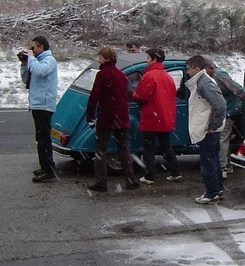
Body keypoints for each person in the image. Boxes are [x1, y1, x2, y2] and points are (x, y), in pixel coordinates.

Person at [85, 47, 139, 192]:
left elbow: (94, 97)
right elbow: (127, 95)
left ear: (106, 59)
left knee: (101, 149)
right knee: (124, 148)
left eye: (100, 57)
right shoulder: (121, 75)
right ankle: (130, 179)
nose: (98, 60)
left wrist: (90, 115)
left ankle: (101, 182)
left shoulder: (102, 75)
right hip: (122, 117)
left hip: (107, 117)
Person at [131, 48, 182, 184]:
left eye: (148, 58)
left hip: (151, 117)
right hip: (165, 117)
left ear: (154, 59)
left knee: (148, 147)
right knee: (166, 146)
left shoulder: (149, 76)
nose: (146, 61)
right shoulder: (167, 76)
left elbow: (141, 96)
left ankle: (149, 175)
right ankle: (175, 172)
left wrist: (133, 95)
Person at [185, 55, 226, 204]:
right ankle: (217, 189)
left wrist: (213, 126)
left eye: (189, 69)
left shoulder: (204, 83)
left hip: (209, 130)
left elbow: (220, 105)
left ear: (197, 69)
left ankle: (211, 193)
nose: (187, 72)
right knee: (213, 160)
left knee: (208, 161)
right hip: (210, 128)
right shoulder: (203, 81)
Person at [204, 61, 245, 179]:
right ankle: (226, 164)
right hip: (225, 109)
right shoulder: (211, 76)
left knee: (222, 138)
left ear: (208, 68)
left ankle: (223, 167)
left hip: (229, 110)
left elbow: (237, 88)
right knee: (224, 138)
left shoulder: (218, 75)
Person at [20, 35, 59, 182]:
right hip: (36, 103)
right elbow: (26, 79)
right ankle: (46, 166)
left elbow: (41, 71)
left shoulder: (49, 60)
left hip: (44, 104)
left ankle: (48, 170)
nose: (32, 50)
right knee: (41, 137)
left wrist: (31, 59)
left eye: (34, 47)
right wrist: (24, 64)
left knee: (43, 138)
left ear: (41, 47)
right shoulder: (35, 61)